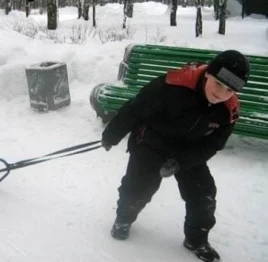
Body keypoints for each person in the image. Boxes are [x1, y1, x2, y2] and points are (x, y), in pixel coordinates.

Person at [101, 50, 250, 262]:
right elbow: (136, 108)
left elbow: (214, 144)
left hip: (188, 150)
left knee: (203, 194)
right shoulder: (174, 84)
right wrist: (112, 135)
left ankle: (196, 240)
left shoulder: (228, 110)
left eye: (229, 90)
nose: (221, 93)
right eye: (218, 84)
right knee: (139, 185)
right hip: (152, 140)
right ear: (208, 74)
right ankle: (124, 218)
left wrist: (181, 161)